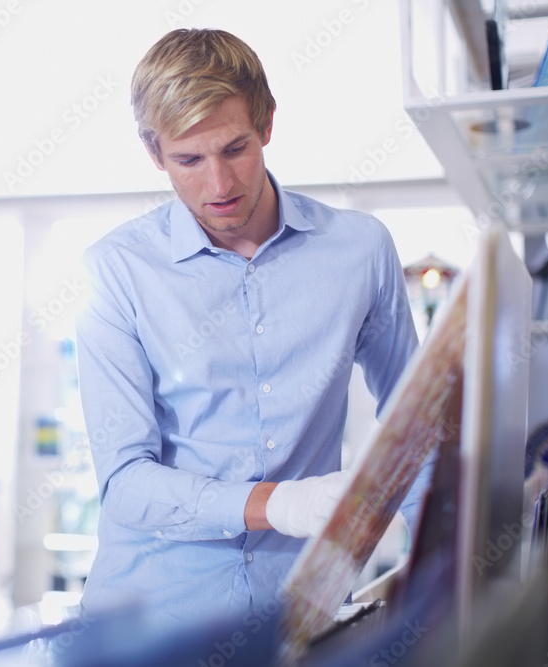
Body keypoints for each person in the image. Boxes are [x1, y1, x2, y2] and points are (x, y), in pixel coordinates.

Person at [75, 29, 428, 628]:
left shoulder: (360, 249)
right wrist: (278, 504)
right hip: (152, 621)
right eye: (188, 159)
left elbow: (420, 424)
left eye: (234, 148)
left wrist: (450, 563)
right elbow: (127, 482)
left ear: (266, 125)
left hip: (301, 612)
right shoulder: (117, 270)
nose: (219, 185)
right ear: (154, 152)